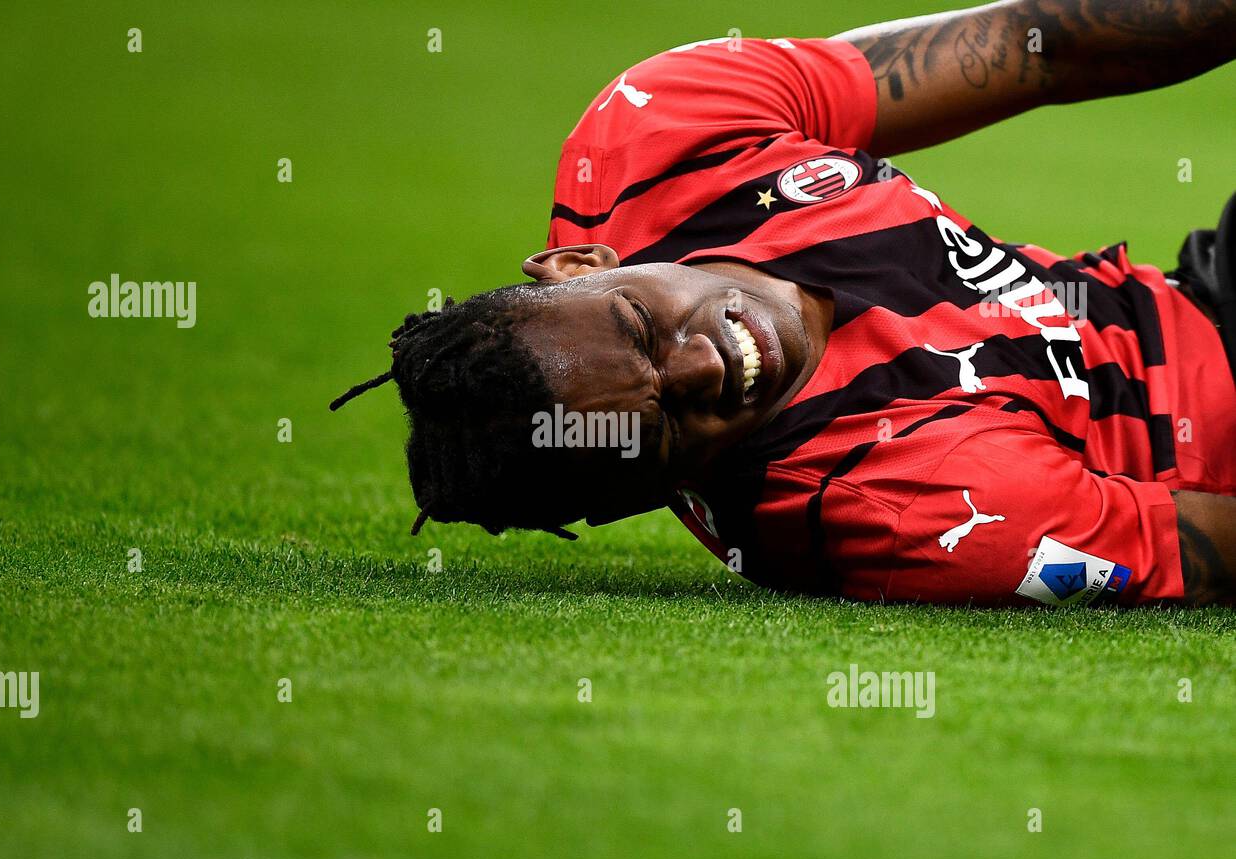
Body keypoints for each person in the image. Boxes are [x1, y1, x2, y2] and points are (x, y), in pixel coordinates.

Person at [333, 0, 1236, 606]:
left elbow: (1036, 45)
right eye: (669, 428)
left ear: (578, 261)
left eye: (642, 329)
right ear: (650, 496)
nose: (701, 366)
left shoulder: (661, 132)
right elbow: (1209, 542)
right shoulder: (906, 507)